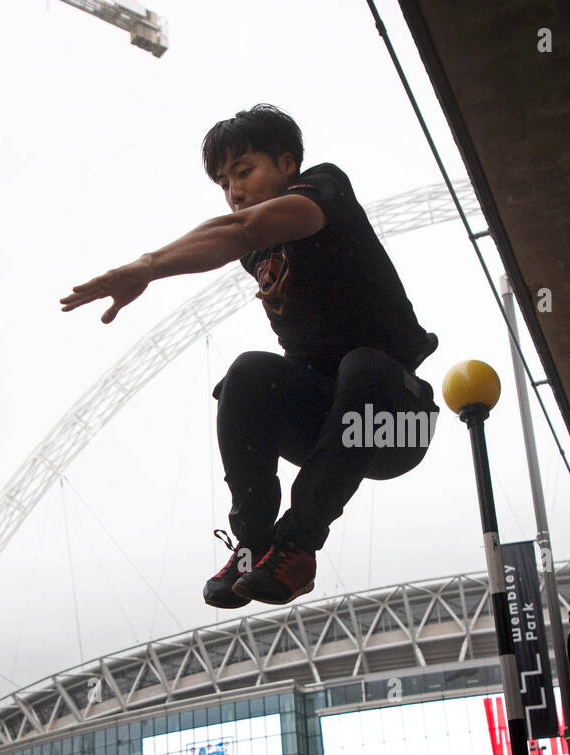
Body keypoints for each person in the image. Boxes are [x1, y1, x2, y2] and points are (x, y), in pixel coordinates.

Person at [60, 104, 439, 608]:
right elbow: (233, 235)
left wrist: (147, 267)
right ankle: (255, 545)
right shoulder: (257, 252)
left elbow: (240, 229)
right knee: (249, 371)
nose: (233, 191)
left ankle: (299, 543)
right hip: (324, 428)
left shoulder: (324, 191)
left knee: (364, 366)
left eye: (244, 172)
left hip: (394, 427)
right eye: (222, 182)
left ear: (286, 164)